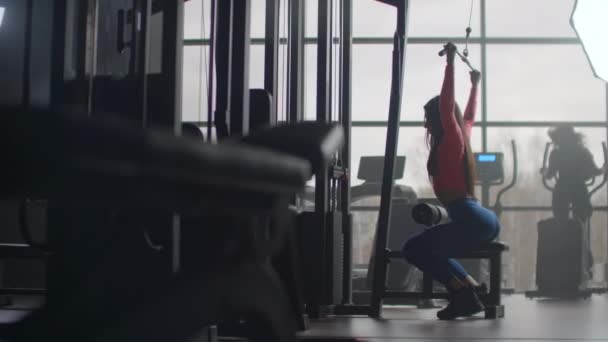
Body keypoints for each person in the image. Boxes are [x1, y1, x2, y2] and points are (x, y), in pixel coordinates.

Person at [401, 42, 500, 320]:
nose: (425, 125)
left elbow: (448, 105)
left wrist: (451, 63)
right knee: (432, 249)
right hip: (479, 218)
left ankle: (460, 295)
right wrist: (475, 86)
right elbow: (468, 116)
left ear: (438, 118)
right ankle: (469, 290)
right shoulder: (460, 140)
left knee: (413, 249)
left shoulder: (451, 140)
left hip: (471, 218)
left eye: (427, 119)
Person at [542, 124, 604, 224]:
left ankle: (563, 237)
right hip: (578, 187)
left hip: (562, 188)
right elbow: (595, 171)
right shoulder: (582, 151)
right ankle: (580, 237)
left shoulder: (556, 153)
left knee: (560, 222)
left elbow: (549, 174)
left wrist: (544, 171)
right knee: (581, 222)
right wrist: (603, 169)